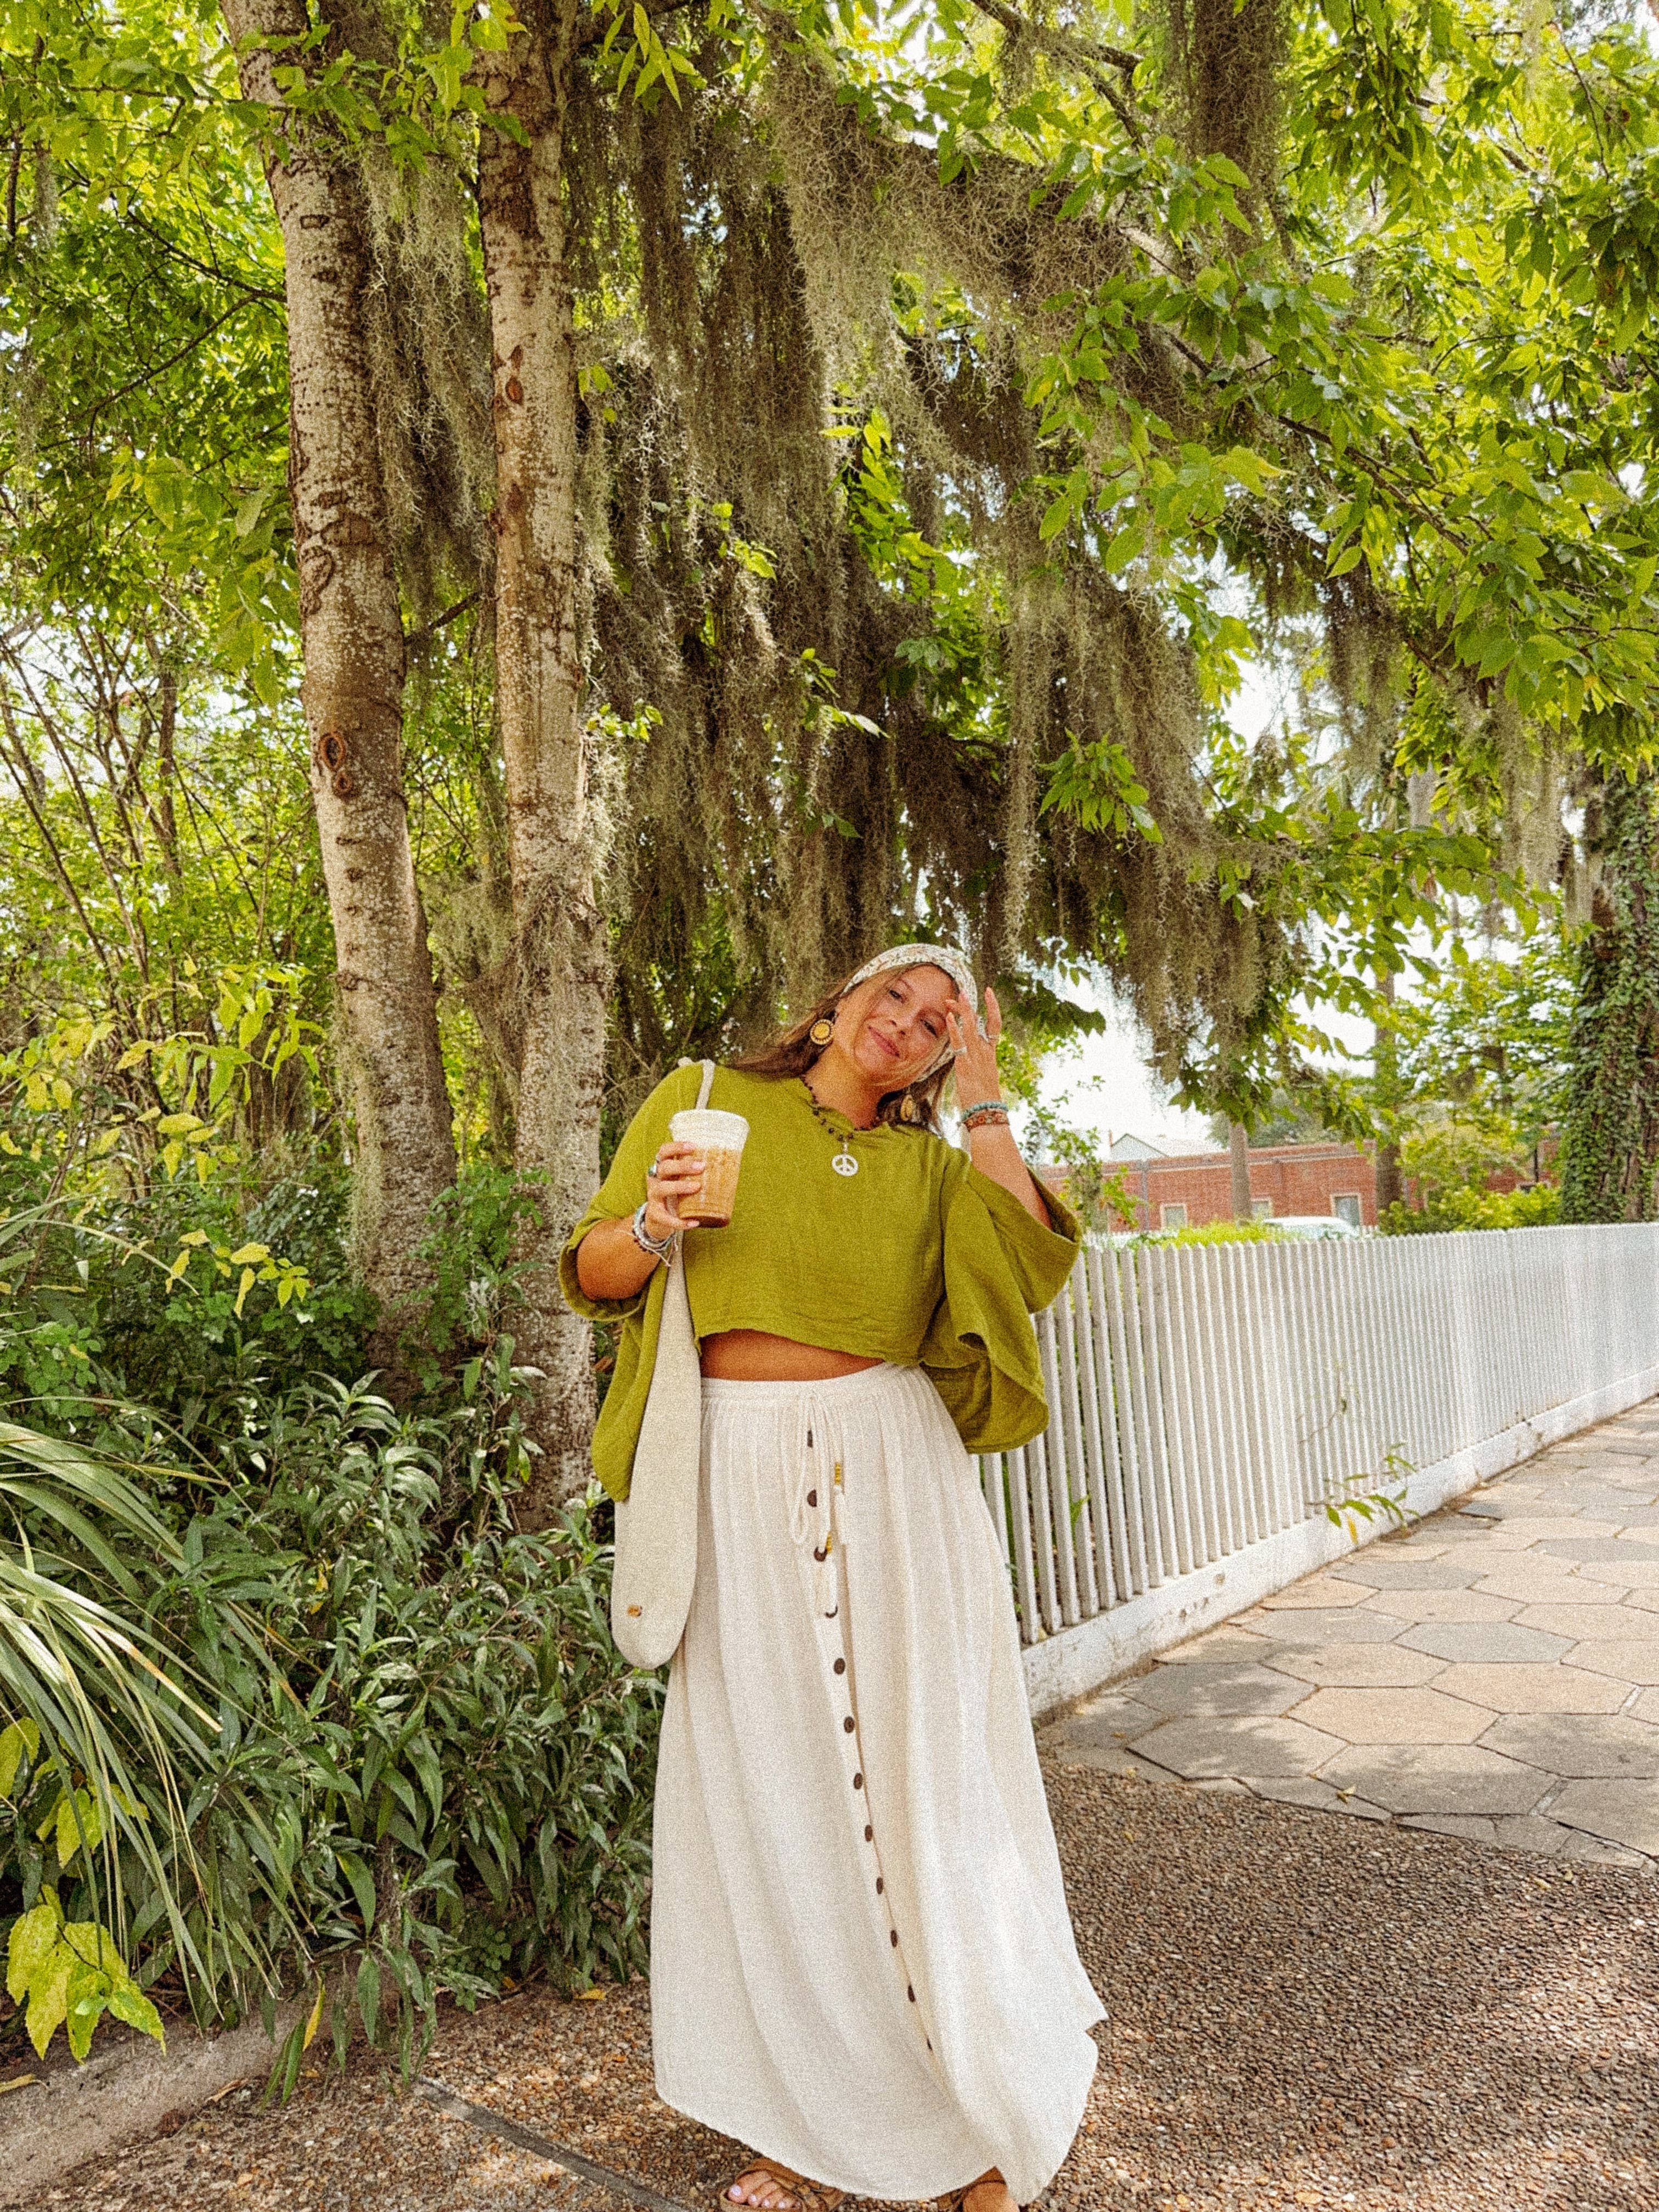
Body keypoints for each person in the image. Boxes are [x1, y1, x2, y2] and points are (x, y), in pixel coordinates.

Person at [562, 945, 1104, 2212]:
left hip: (895, 1477)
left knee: (926, 1792)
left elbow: (1028, 1263)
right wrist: (656, 1225)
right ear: (835, 1004)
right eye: (896, 1003)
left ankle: (977, 2119)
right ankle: (803, 2137)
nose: (906, 1030)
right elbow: (594, 1276)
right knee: (776, 1799)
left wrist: (984, 1097)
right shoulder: (703, 1097)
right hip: (730, 1479)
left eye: (936, 1027)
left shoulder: (930, 1165)